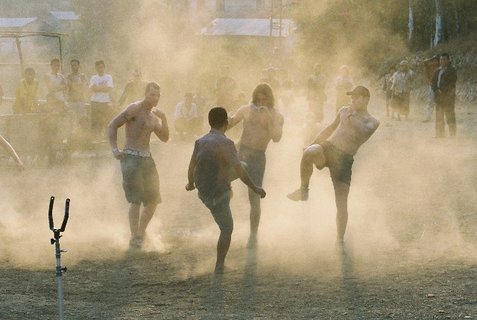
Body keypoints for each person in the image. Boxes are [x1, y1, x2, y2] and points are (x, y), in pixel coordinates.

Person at [287, 86, 379, 245]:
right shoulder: (344, 111)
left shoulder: (372, 121)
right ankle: (304, 190)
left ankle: (340, 239)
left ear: (366, 99)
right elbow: (330, 128)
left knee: (341, 203)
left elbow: (363, 132)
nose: (353, 100)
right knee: (309, 152)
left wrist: (351, 117)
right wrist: (313, 143)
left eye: (357, 97)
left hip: (344, 159)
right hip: (329, 148)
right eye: (352, 97)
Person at [185, 107, 266, 274]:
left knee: (231, 169)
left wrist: (190, 183)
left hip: (202, 189)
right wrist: (255, 188)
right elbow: (239, 170)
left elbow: (192, 165)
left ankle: (226, 190)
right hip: (216, 191)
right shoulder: (226, 143)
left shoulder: (200, 141)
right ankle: (219, 266)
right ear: (226, 123)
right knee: (227, 228)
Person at [108, 82, 169, 249]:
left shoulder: (154, 117)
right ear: (145, 94)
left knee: (153, 199)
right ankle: (135, 236)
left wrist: (164, 119)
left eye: (157, 95)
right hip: (131, 157)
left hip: (147, 158)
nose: (155, 98)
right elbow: (113, 124)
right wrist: (114, 148)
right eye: (152, 95)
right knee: (135, 200)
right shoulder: (134, 108)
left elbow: (165, 138)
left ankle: (141, 233)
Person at [227, 83, 284, 248]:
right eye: (257, 100)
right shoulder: (246, 109)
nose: (260, 103)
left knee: (255, 196)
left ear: (270, 100)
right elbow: (229, 124)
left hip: (258, 157)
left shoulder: (277, 115)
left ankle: (253, 234)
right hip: (242, 151)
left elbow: (277, 137)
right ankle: (226, 203)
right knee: (224, 181)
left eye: (264, 100)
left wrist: (269, 117)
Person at [431, 53, 457, 138]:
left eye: (444, 59)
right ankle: (439, 134)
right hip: (438, 97)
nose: (442, 61)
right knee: (439, 116)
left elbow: (452, 83)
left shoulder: (452, 70)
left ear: (448, 60)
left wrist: (443, 91)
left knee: (450, 115)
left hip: (448, 97)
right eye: (441, 59)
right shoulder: (437, 70)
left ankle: (452, 134)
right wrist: (436, 90)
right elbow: (433, 82)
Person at [90, 60, 114, 140]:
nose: (100, 69)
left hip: (105, 101)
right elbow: (93, 88)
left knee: (105, 120)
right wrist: (103, 88)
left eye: (102, 67)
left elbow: (109, 88)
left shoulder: (108, 77)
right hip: (95, 102)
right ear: (96, 68)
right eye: (98, 67)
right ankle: (95, 137)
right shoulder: (93, 77)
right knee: (95, 120)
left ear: (104, 67)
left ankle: (106, 137)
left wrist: (98, 88)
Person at [422, 55, 440, 122]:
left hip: (439, 86)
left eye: (436, 61)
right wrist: (432, 58)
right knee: (430, 102)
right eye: (434, 61)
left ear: (438, 61)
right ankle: (428, 117)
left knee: (439, 102)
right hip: (432, 86)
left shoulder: (440, 67)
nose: (435, 62)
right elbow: (424, 62)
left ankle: (439, 118)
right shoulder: (430, 66)